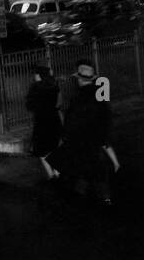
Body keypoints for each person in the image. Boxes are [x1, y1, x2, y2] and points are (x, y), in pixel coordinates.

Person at [47, 61, 114, 205]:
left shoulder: (77, 98)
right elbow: (106, 119)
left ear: (79, 79)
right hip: (95, 142)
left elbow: (71, 122)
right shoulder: (99, 97)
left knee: (80, 172)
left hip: (80, 143)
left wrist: (66, 137)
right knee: (99, 172)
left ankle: (81, 203)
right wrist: (103, 139)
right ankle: (106, 199)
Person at [26, 65, 62, 177]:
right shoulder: (54, 85)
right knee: (54, 148)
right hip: (54, 119)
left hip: (41, 121)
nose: (34, 76)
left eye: (36, 74)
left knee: (41, 151)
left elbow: (29, 106)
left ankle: (51, 175)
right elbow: (59, 103)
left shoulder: (35, 87)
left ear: (39, 75)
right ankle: (57, 172)